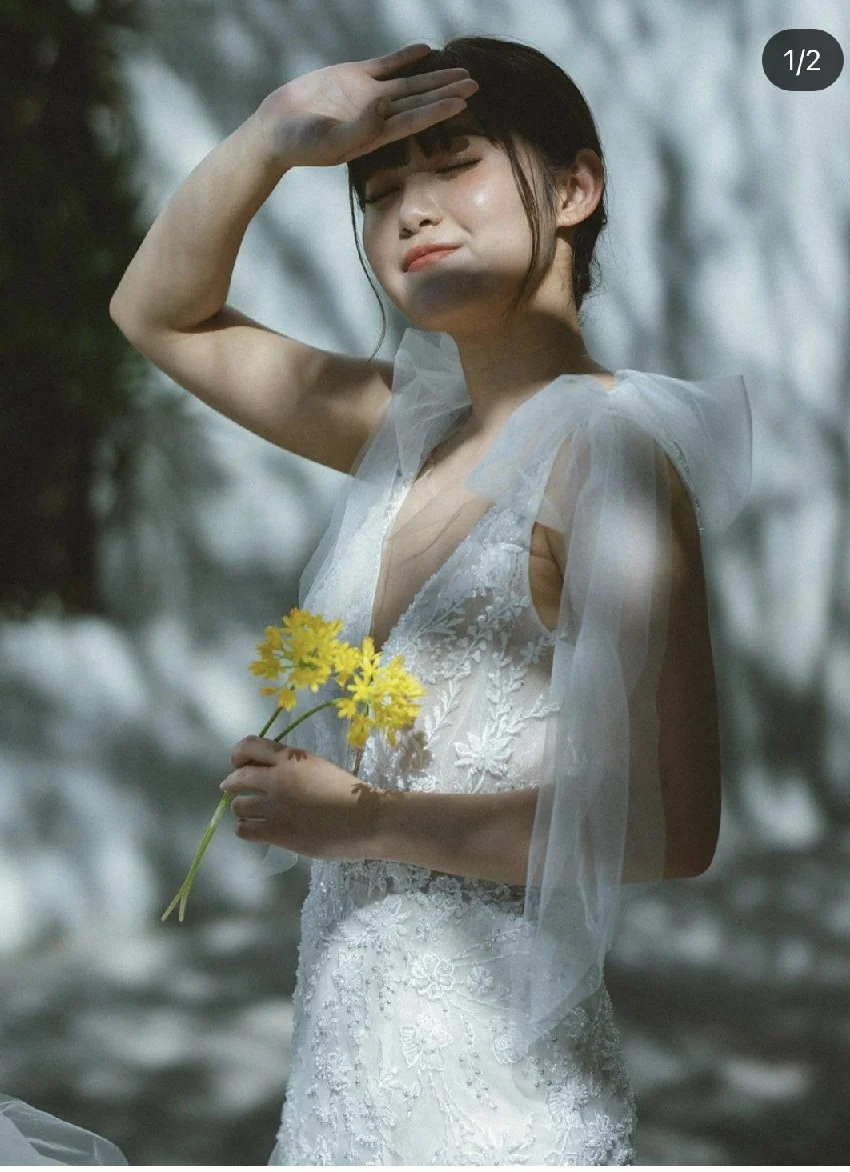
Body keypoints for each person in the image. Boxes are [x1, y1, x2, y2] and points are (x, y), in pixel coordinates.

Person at [2, 36, 752, 1166]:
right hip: (345, 1071)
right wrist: (272, 133)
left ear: (575, 188)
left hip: (501, 1099)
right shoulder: (406, 427)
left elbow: (669, 821)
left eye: (451, 164)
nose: (409, 209)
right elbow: (157, 312)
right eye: (378, 188)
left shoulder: (607, 457)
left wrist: (367, 821)